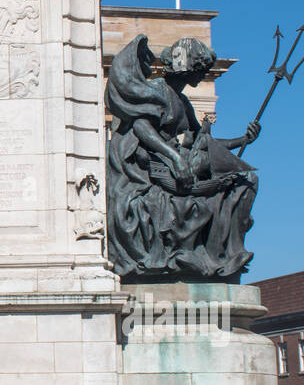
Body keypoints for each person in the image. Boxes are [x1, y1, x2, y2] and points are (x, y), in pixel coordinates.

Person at [105, 35, 260, 280]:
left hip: (175, 170)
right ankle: (193, 257)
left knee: (244, 182)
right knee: (193, 205)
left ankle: (228, 255)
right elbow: (141, 128)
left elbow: (205, 143)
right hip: (149, 174)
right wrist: (175, 157)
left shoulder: (183, 102)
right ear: (188, 68)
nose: (202, 75)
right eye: (200, 69)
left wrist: (242, 140)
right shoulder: (157, 90)